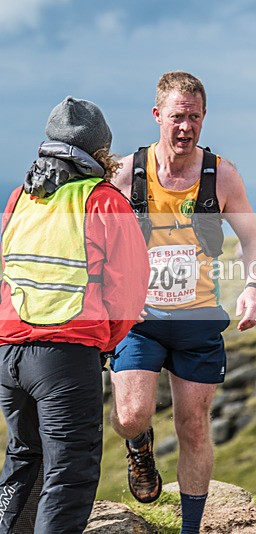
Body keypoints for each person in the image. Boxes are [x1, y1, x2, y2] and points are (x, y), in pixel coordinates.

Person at [109, 72, 256, 533]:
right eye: (177, 117)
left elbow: (252, 240)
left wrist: (253, 287)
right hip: (141, 320)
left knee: (193, 426)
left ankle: (190, 528)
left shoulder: (222, 175)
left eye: (194, 117)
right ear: (158, 116)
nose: (186, 127)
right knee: (130, 415)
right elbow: (92, 240)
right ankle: (139, 448)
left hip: (198, 320)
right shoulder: (126, 172)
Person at [0, 97, 149, 532]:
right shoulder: (103, 199)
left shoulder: (20, 197)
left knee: (24, 459)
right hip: (65, 355)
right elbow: (129, 290)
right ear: (101, 150)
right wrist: (102, 342)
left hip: (9, 353)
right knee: (70, 471)